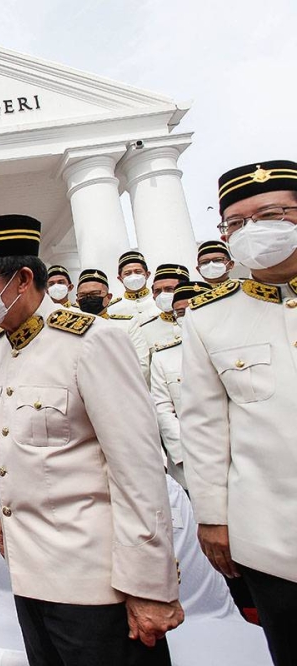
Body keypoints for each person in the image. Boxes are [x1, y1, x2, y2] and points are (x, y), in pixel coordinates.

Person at [0, 214, 182, 666]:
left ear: (22, 279)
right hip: (28, 573)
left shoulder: (91, 342)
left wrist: (149, 586)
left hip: (94, 581)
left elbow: (137, 468)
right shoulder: (0, 347)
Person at [180, 160, 297, 666]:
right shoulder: (211, 318)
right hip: (273, 534)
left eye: (269, 214)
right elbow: (205, 427)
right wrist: (212, 518)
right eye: (235, 222)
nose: (251, 231)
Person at [150, 281, 209, 491]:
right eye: (179, 312)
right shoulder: (163, 358)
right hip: (187, 460)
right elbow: (163, 410)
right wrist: (183, 455)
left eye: (192, 309)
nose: (185, 317)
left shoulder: (235, 349)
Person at [76, 268, 150, 375]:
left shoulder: (127, 324)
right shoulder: (70, 328)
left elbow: (141, 364)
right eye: (82, 295)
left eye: (95, 293)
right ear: (77, 300)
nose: (89, 298)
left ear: (108, 297)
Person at [109, 251, 161, 319]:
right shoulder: (113, 308)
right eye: (127, 273)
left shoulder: (159, 301)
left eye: (138, 272)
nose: (133, 276)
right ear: (120, 279)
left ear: (147, 275)